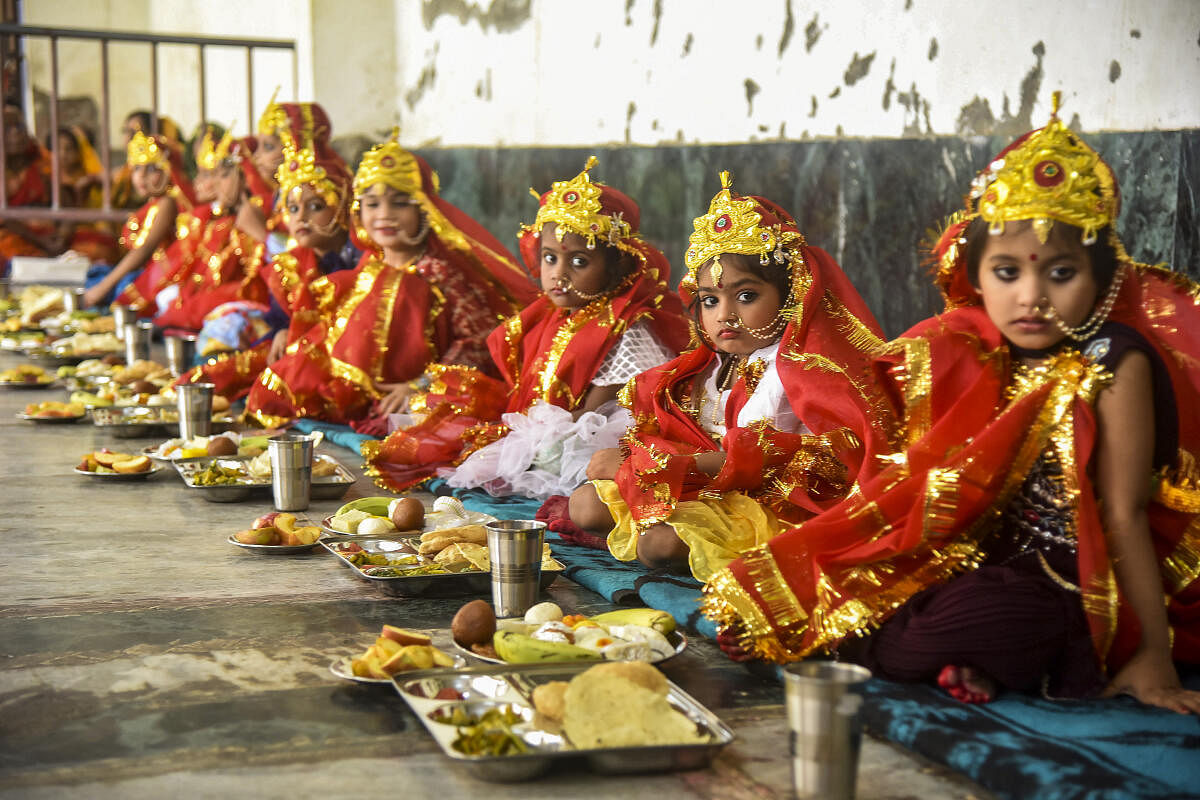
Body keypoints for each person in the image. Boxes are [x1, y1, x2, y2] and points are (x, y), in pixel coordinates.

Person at [703, 95, 1200, 714]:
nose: (1032, 297)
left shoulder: (1113, 362)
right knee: (849, 580)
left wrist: (1151, 659)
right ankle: (958, 655)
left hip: (1070, 583)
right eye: (1008, 272)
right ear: (977, 273)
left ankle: (941, 652)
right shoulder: (981, 351)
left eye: (1061, 274)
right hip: (980, 553)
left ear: (1101, 275)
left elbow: (1124, 517)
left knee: (953, 625)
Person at [566, 172, 888, 582]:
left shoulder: (799, 369)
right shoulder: (709, 366)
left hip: (769, 498)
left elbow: (826, 459)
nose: (724, 315)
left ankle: (696, 547)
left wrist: (649, 468)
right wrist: (646, 462)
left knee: (659, 545)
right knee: (584, 505)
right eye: (710, 300)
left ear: (791, 296)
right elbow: (681, 436)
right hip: (701, 483)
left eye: (747, 296)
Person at [363, 157, 689, 497]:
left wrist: (527, 446)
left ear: (617, 267)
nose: (558, 274)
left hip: (585, 441)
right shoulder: (546, 316)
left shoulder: (627, 327)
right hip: (542, 429)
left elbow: (592, 421)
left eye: (579, 261)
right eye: (550, 258)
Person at [243, 130, 534, 427]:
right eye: (372, 204)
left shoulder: (438, 268)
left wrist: (420, 386)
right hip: (372, 393)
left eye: (399, 203)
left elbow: (477, 342)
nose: (384, 215)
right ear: (359, 210)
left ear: (423, 209)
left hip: (424, 391)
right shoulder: (372, 261)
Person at [179, 136, 359, 398]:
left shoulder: (358, 257)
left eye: (316, 207)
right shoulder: (297, 258)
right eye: (293, 208)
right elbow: (283, 307)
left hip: (338, 349)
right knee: (229, 369)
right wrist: (281, 330)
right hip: (296, 339)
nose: (301, 217)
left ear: (342, 207)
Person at [152, 131, 268, 331]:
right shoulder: (221, 220)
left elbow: (253, 279)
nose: (217, 183)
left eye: (222, 175)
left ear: (244, 177)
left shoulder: (250, 215)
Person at [82, 131, 194, 309]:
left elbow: (145, 250)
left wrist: (103, 288)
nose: (141, 176)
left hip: (160, 278)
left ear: (168, 170)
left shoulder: (167, 203)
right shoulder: (154, 202)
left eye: (151, 169)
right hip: (146, 273)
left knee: (117, 287)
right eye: (136, 168)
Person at [0, 103, 59, 263]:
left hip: (51, 233)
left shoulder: (44, 160)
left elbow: (67, 204)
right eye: (6, 128)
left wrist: (63, 236)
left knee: (97, 248)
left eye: (19, 125)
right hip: (13, 235)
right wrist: (41, 241)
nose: (16, 133)